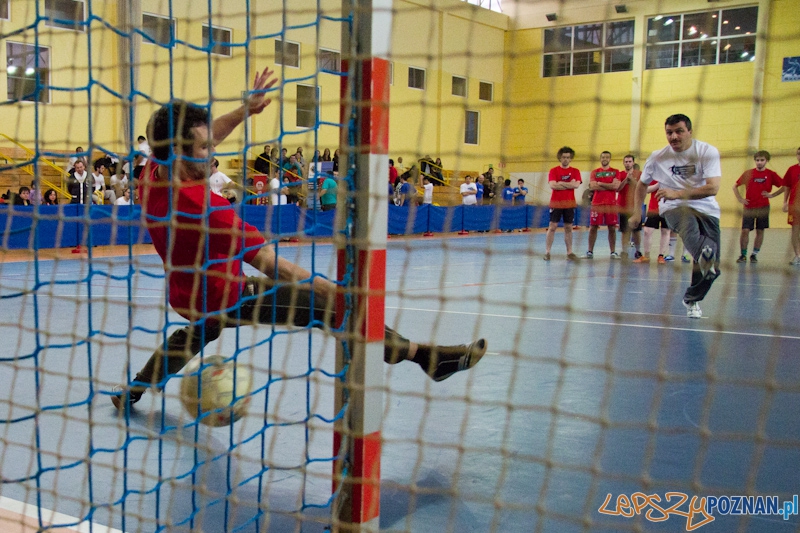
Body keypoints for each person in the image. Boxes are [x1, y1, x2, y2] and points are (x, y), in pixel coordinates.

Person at [109, 68, 486, 409]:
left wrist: (245, 111)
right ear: (178, 153)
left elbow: (200, 141)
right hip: (227, 296)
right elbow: (274, 266)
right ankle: (426, 358)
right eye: (205, 149)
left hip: (187, 296)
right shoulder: (210, 210)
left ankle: (137, 386)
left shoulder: (153, 174)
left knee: (198, 330)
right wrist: (333, 291)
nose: (214, 153)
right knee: (333, 311)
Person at [630, 114, 722, 319]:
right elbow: (642, 184)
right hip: (673, 207)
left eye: (679, 131)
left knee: (712, 269)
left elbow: (713, 188)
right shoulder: (658, 157)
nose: (673, 136)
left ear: (689, 131)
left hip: (706, 209)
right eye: (669, 132)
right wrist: (637, 212)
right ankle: (706, 255)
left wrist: (677, 193)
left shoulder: (707, 152)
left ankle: (691, 299)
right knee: (694, 234)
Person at [732, 150, 783, 263]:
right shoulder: (748, 173)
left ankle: (754, 255)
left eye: (762, 160)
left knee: (760, 230)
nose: (759, 162)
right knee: (745, 230)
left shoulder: (771, 174)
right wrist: (740, 199)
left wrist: (772, 195)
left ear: (767, 161)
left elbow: (784, 185)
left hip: (763, 207)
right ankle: (743, 255)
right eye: (757, 160)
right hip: (749, 207)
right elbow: (735, 186)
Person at [543, 146, 581, 261]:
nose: (565, 159)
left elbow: (576, 185)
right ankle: (547, 252)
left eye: (568, 157)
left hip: (569, 204)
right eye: (564, 157)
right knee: (552, 227)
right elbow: (553, 185)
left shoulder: (575, 171)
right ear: (560, 158)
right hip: (556, 203)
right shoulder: (553, 170)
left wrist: (560, 183)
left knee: (568, 227)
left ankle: (569, 252)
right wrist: (569, 184)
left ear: (571, 159)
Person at [585, 151, 621, 259]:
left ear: (610, 159)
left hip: (611, 204)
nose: (605, 159)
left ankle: (613, 252)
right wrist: (609, 185)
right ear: (600, 159)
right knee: (593, 227)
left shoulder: (615, 171)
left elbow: (616, 186)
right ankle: (590, 251)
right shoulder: (594, 172)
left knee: (612, 228)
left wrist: (600, 183)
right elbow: (592, 186)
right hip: (597, 203)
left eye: (607, 157)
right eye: (603, 157)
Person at [633, 181, 671, 264]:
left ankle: (661, 256)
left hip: (667, 208)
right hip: (653, 208)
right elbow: (647, 189)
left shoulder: (670, 177)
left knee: (665, 231)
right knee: (647, 231)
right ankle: (646, 256)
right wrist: (658, 185)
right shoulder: (654, 176)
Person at [617, 154, 642, 260]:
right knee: (624, 230)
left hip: (635, 206)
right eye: (626, 162)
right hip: (623, 206)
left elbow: (641, 187)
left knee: (636, 230)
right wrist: (625, 180)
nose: (627, 163)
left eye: (629, 161)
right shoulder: (620, 174)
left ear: (633, 163)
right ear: (623, 163)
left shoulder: (639, 174)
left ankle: (638, 251)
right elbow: (617, 188)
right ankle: (624, 251)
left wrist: (632, 180)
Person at [783, 146, 800, 266]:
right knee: (795, 230)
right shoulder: (792, 169)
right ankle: (798, 255)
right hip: (794, 205)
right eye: (798, 154)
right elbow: (787, 186)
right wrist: (785, 202)